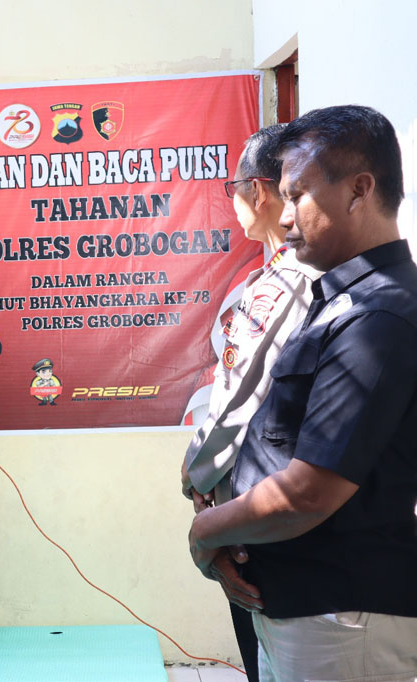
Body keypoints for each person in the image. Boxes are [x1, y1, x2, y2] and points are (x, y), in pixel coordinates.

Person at [188, 105, 417, 681]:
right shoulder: (342, 300)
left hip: (340, 615)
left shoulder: (378, 316)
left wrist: (205, 532)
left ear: (360, 190)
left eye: (298, 196)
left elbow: (309, 493)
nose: (284, 216)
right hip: (300, 602)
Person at [180, 124, 319, 682]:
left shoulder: (285, 282)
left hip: (264, 504)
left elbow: (238, 400)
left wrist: (196, 481)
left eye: (233, 187)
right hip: (270, 503)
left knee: (270, 654)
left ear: (257, 191)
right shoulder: (294, 274)